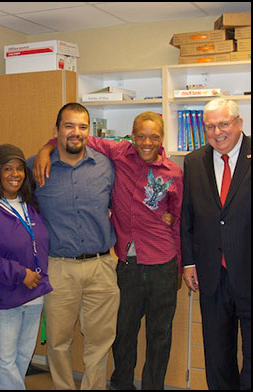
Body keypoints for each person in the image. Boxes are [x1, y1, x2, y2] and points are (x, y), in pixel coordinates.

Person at [34, 110, 183, 390]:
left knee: (159, 334)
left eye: (154, 137)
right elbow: (77, 137)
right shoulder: (118, 154)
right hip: (125, 262)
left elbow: (177, 219)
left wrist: (179, 266)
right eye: (141, 136)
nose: (147, 142)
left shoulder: (173, 172)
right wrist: (47, 147)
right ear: (132, 136)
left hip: (162, 260)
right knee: (122, 333)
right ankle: (121, 385)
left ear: (162, 138)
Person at [27, 102, 120, 390]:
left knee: (100, 342)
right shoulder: (34, 167)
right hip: (58, 268)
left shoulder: (106, 165)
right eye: (68, 126)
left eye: (82, 127)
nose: (76, 133)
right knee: (57, 342)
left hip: (101, 267)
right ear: (56, 131)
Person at [181, 98, 251, 390]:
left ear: (239, 124)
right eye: (210, 126)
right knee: (217, 355)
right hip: (211, 275)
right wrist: (189, 262)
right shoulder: (194, 161)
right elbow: (188, 216)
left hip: (249, 271)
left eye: (224, 124)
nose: (217, 132)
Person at [0, 143, 53, 390]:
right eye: (8, 168)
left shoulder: (29, 205)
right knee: (5, 360)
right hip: (5, 294)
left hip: (34, 294)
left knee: (21, 358)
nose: (15, 174)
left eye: (20, 169)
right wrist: (20, 274)